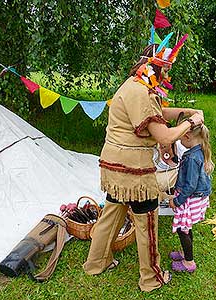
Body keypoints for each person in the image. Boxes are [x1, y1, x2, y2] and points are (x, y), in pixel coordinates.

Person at [83, 39, 205, 292]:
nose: (168, 74)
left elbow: (156, 112)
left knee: (111, 215)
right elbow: (164, 136)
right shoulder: (142, 91)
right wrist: (190, 124)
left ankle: (96, 263)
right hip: (134, 171)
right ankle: (151, 278)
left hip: (114, 167)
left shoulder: (132, 85)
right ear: (155, 66)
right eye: (166, 68)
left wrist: (185, 111)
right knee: (147, 223)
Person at [169, 124, 214, 273]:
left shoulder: (191, 158)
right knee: (186, 228)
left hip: (188, 199)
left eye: (180, 136)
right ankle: (184, 252)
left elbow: (190, 185)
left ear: (187, 136)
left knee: (183, 230)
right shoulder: (199, 151)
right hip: (195, 197)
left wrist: (176, 201)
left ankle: (189, 262)